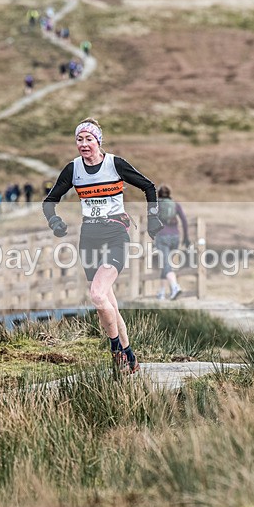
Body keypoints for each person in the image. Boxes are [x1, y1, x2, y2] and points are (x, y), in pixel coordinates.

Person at [43, 117, 163, 374]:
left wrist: (153, 218)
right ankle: (129, 356)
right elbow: (49, 201)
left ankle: (116, 351)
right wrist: (55, 222)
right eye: (79, 139)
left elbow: (149, 187)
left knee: (97, 294)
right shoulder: (73, 169)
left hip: (116, 233)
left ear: (98, 141)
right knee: (107, 302)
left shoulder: (115, 164)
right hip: (89, 238)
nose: (83, 144)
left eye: (89, 139)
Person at [154, 185, 190, 301]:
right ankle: (161, 293)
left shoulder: (156, 205)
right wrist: (186, 238)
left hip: (162, 236)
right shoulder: (176, 205)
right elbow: (184, 220)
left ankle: (175, 287)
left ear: (159, 194)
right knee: (166, 264)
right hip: (175, 237)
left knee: (165, 264)